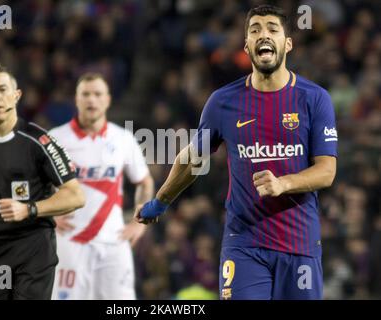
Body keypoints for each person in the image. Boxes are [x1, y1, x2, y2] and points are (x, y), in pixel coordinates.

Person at [135, 5, 338, 300]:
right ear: (246, 46)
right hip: (244, 245)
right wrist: (161, 201)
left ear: (288, 43)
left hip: (300, 246)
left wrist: (284, 183)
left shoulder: (314, 99)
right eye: (255, 30)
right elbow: (193, 159)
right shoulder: (223, 102)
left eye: (272, 29)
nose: (263, 34)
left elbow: (326, 171)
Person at [0, 63, 85, 300]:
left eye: (2, 89)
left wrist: (30, 208)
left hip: (34, 250)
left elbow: (75, 195)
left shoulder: (39, 141)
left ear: (16, 95)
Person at [49, 73, 154, 300]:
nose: (91, 100)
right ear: (76, 100)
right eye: (85, 94)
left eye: (97, 94)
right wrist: (46, 217)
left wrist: (140, 222)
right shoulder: (55, 139)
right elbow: (34, 183)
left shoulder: (123, 139)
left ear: (107, 100)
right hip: (70, 241)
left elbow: (144, 182)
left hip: (113, 241)